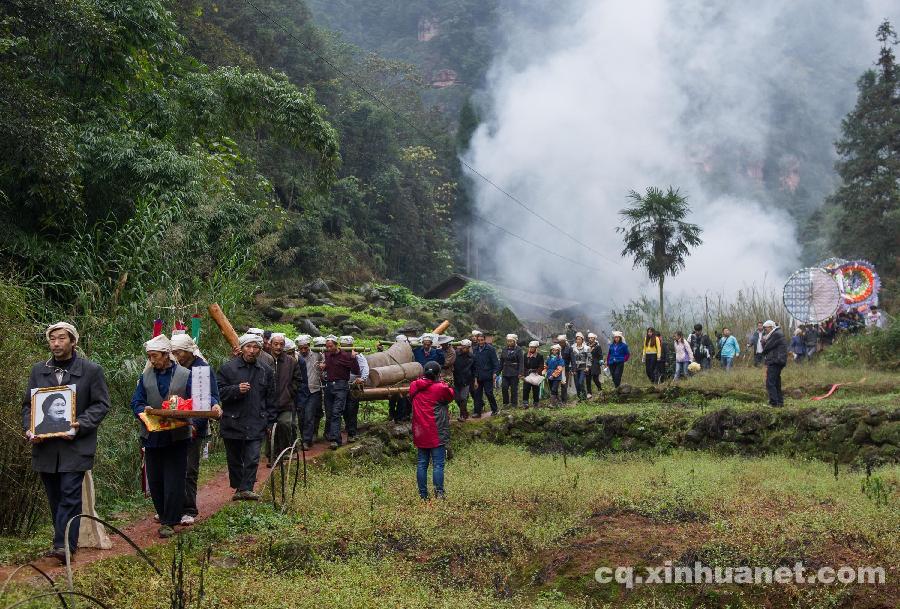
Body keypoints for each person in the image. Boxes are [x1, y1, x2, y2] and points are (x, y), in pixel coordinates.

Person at [22, 322, 110, 562]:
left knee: (70, 494)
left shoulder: (91, 371)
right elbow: (29, 406)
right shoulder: (38, 370)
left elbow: (101, 404)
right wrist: (30, 429)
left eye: (61, 339)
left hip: (76, 446)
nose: (56, 344)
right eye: (52, 339)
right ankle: (64, 540)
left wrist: (81, 423)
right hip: (46, 447)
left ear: (73, 341)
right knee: (55, 497)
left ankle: (64, 546)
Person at [131, 335, 192, 538]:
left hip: (177, 435)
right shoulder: (145, 376)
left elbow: (196, 401)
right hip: (152, 435)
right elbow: (137, 401)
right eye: (149, 356)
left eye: (155, 356)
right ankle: (163, 512)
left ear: (167, 355)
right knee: (155, 479)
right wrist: (143, 411)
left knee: (174, 478)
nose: (152, 360)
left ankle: (170, 520)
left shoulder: (185, 374)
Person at [217, 333, 277, 501]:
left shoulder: (266, 371)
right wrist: (236, 390)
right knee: (234, 458)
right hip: (232, 420)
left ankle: (246, 488)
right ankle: (239, 486)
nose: (252, 350)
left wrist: (270, 421)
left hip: (257, 420)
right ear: (241, 348)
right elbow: (218, 393)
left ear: (260, 349)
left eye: (256, 347)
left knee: (252, 457)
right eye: (248, 347)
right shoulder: (227, 368)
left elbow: (271, 398)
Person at [170, 333, 221, 526]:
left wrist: (195, 424)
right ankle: (171, 507)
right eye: (173, 352)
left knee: (189, 468)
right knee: (172, 468)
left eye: (179, 352)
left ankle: (188, 508)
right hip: (172, 423)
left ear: (189, 351)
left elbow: (209, 397)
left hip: (194, 425)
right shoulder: (172, 368)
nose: (176, 356)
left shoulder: (202, 369)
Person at [409, 361, 454, 500]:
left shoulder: (414, 385)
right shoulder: (440, 387)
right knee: (438, 464)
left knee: (422, 464)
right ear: (438, 374)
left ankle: (423, 495)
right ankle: (439, 493)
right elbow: (450, 395)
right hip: (437, 431)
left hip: (420, 431)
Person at [266, 333, 304, 464]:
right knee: (269, 429)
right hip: (267, 403)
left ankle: (283, 452)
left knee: (285, 424)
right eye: (275, 344)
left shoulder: (291, 361)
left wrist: (289, 392)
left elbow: (298, 380)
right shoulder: (264, 359)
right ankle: (271, 455)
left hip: (285, 402)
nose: (278, 347)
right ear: (270, 344)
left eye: (281, 344)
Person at [319, 335, 360, 449]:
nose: (328, 348)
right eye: (327, 347)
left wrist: (353, 358)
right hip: (329, 387)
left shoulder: (345, 356)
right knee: (330, 413)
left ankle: (335, 440)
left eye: (330, 346)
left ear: (336, 345)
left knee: (337, 412)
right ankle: (335, 437)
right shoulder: (327, 355)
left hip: (341, 386)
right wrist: (323, 367)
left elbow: (356, 370)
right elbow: (329, 367)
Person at [296, 335, 323, 449]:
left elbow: (326, 360)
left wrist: (323, 365)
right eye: (301, 348)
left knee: (309, 415)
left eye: (305, 348)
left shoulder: (317, 354)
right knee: (301, 416)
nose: (303, 350)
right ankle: (304, 437)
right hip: (300, 391)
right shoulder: (295, 356)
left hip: (314, 389)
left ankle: (306, 440)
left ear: (309, 346)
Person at [342, 335, 368, 443]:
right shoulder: (339, 356)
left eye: (348, 346)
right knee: (343, 410)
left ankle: (352, 433)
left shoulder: (359, 356)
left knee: (352, 410)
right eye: (344, 346)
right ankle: (349, 428)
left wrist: (362, 379)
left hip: (354, 386)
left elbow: (365, 369)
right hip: (341, 386)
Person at [471, 331, 500, 417]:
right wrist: (475, 379)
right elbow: (474, 365)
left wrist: (495, 373)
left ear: (485, 340)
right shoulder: (475, 349)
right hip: (478, 376)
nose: (480, 342)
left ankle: (495, 409)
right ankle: (477, 412)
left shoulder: (490, 349)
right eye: (479, 340)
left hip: (488, 375)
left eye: (482, 340)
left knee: (489, 392)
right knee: (477, 394)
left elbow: (495, 363)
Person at [761, 320, 787, 407]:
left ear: (771, 327)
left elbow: (766, 348)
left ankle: (774, 403)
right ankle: (780, 402)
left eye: (766, 328)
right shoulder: (778, 333)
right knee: (776, 382)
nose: (765, 330)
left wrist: (763, 341)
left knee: (770, 382)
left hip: (775, 361)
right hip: (778, 361)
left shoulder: (775, 334)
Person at [388, 334, 412, 423]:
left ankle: (398, 416)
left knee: (401, 398)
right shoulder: (406, 350)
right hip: (397, 376)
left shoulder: (393, 350)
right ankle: (396, 416)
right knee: (395, 398)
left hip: (402, 376)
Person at [499, 334, 524, 408]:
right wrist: (497, 372)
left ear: (514, 341)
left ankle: (514, 404)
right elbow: (501, 362)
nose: (509, 342)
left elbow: (521, 362)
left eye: (511, 341)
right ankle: (505, 403)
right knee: (504, 387)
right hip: (505, 372)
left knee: (514, 389)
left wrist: (520, 373)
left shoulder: (519, 350)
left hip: (514, 372)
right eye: (508, 341)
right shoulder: (504, 349)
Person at [453, 339, 475, 420]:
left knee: (463, 398)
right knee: (457, 399)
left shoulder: (471, 356)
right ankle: (465, 412)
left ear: (469, 347)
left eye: (466, 347)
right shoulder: (456, 354)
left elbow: (474, 369)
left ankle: (462, 416)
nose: (464, 349)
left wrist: (475, 380)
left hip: (467, 380)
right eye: (463, 347)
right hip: (456, 379)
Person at [522, 341, 545, 407]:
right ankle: (525, 402)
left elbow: (541, 366)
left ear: (536, 348)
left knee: (536, 389)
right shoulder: (525, 355)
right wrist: (526, 372)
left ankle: (536, 402)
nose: (531, 348)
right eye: (530, 347)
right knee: (526, 388)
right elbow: (523, 365)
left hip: (536, 375)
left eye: (533, 347)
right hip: (527, 375)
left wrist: (536, 372)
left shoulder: (539, 356)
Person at [570, 332, 590, 400]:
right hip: (575, 368)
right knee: (576, 384)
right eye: (577, 339)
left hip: (583, 367)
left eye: (579, 339)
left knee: (581, 382)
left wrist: (588, 367)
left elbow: (590, 358)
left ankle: (584, 398)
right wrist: (572, 369)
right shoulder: (572, 348)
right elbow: (571, 359)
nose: (578, 340)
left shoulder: (586, 348)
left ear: (582, 340)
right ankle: (580, 398)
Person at [556, 334, 573, 403]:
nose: (561, 344)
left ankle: (564, 400)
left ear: (565, 341)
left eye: (562, 342)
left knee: (564, 384)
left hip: (565, 369)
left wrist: (573, 369)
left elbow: (572, 360)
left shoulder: (569, 348)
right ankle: (556, 399)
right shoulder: (557, 348)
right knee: (556, 384)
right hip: (556, 369)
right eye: (559, 342)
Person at [586, 333, 604, 397]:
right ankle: (589, 393)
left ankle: (600, 390)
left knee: (595, 378)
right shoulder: (586, 346)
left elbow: (600, 355)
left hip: (595, 364)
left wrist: (601, 361)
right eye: (589, 338)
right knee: (588, 379)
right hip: (588, 364)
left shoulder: (597, 346)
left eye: (592, 338)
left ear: (594, 338)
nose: (590, 339)